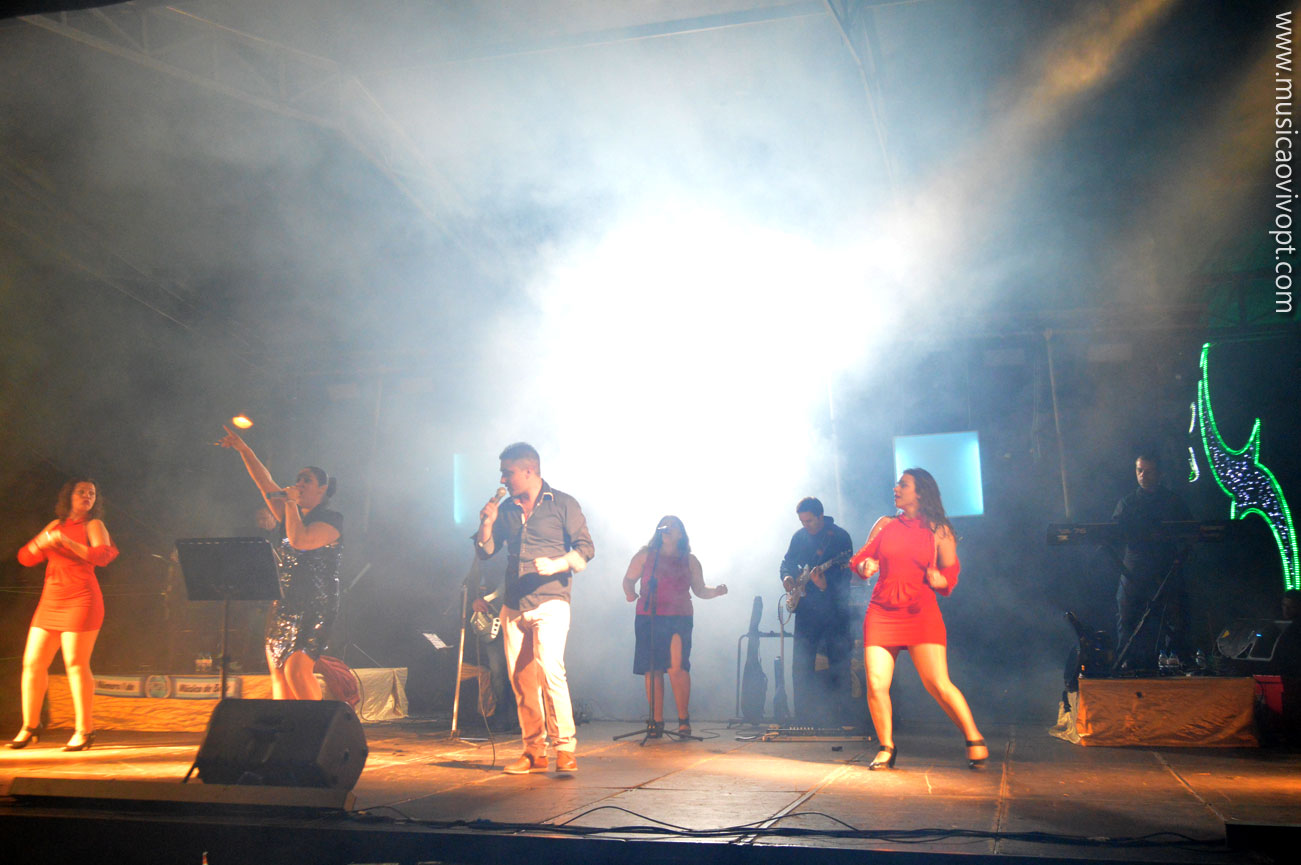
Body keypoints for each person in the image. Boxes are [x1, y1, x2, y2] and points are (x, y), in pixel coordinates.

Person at [849, 468, 987, 771]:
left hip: (920, 612)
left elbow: (951, 571)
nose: (896, 488)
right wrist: (865, 566)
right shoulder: (885, 524)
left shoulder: (939, 530)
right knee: (876, 683)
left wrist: (940, 580)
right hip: (882, 611)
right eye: (897, 483)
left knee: (937, 683)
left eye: (903, 484)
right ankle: (886, 747)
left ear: (920, 492)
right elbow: (860, 558)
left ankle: (973, 737)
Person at [473, 442, 594, 774]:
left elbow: (586, 550)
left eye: (507, 472)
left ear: (529, 470)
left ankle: (564, 748)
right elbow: (485, 552)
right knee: (521, 679)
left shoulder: (563, 504)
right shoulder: (507, 509)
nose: (503, 479)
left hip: (550, 600)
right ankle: (534, 751)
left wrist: (557, 564)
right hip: (513, 605)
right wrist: (487, 524)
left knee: (550, 670)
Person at [218, 425, 342, 700]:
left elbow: (299, 540)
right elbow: (264, 483)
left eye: (306, 480)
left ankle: (316, 723)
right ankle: (285, 724)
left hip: (315, 605)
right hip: (284, 603)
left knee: (296, 671)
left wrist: (290, 504)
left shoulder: (331, 519)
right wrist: (243, 449)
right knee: (278, 673)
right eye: (298, 479)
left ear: (322, 489)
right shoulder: (291, 512)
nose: (299, 484)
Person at [11, 478, 118, 750]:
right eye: (81, 492)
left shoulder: (94, 525)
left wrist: (67, 542)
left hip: (82, 599)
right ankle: (30, 726)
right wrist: (41, 542)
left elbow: (102, 557)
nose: (87, 496)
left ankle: (84, 730)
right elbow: (25, 558)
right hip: (51, 599)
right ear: (69, 496)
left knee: (75, 664)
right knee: (32, 663)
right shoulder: (55, 525)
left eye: (92, 493)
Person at [621, 516, 727, 737]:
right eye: (664, 525)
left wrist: (716, 591)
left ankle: (683, 720)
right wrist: (630, 592)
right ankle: (656, 721)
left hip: (678, 617)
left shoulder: (690, 560)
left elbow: (699, 589)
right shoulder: (645, 556)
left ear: (681, 533)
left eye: (673, 526)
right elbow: (628, 579)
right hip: (649, 616)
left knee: (676, 667)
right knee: (652, 669)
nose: (667, 529)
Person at [779, 497, 855, 728]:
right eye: (802, 521)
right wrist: (787, 577)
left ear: (821, 516)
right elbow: (787, 562)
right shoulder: (799, 537)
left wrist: (824, 585)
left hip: (834, 611)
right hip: (806, 611)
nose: (806, 525)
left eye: (810, 521)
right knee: (801, 665)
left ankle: (842, 718)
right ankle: (803, 718)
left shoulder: (839, 537)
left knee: (839, 663)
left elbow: (846, 574)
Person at [1112, 450, 1192, 668]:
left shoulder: (1173, 501)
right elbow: (1113, 533)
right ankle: (1126, 658)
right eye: (1139, 470)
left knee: (1176, 611)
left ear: (1159, 474)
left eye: (1148, 471)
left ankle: (1175, 656)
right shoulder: (1127, 503)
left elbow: (1190, 531)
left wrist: (1179, 557)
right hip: (1135, 565)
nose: (1143, 475)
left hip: (1166, 564)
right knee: (1126, 612)